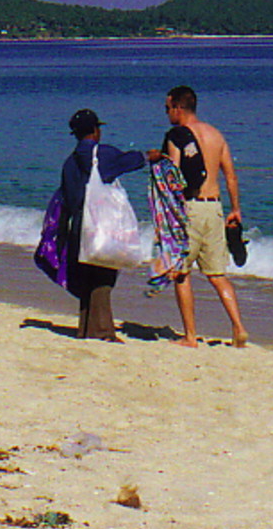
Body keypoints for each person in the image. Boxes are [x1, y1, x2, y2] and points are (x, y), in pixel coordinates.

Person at [159, 85, 249, 348]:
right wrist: (235, 209)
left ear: (178, 107)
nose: (167, 114)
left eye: (167, 109)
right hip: (215, 207)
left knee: (181, 274)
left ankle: (190, 336)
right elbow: (230, 176)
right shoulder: (216, 135)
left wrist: (166, 212)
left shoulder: (178, 136)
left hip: (190, 207)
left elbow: (173, 176)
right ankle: (239, 327)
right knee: (217, 274)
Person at [59, 108, 149, 341]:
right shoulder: (102, 155)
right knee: (104, 274)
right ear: (94, 131)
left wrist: (61, 234)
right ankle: (103, 330)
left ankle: (86, 327)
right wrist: (150, 156)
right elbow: (129, 161)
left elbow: (66, 201)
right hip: (100, 223)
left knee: (88, 275)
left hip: (79, 223)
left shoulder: (70, 162)